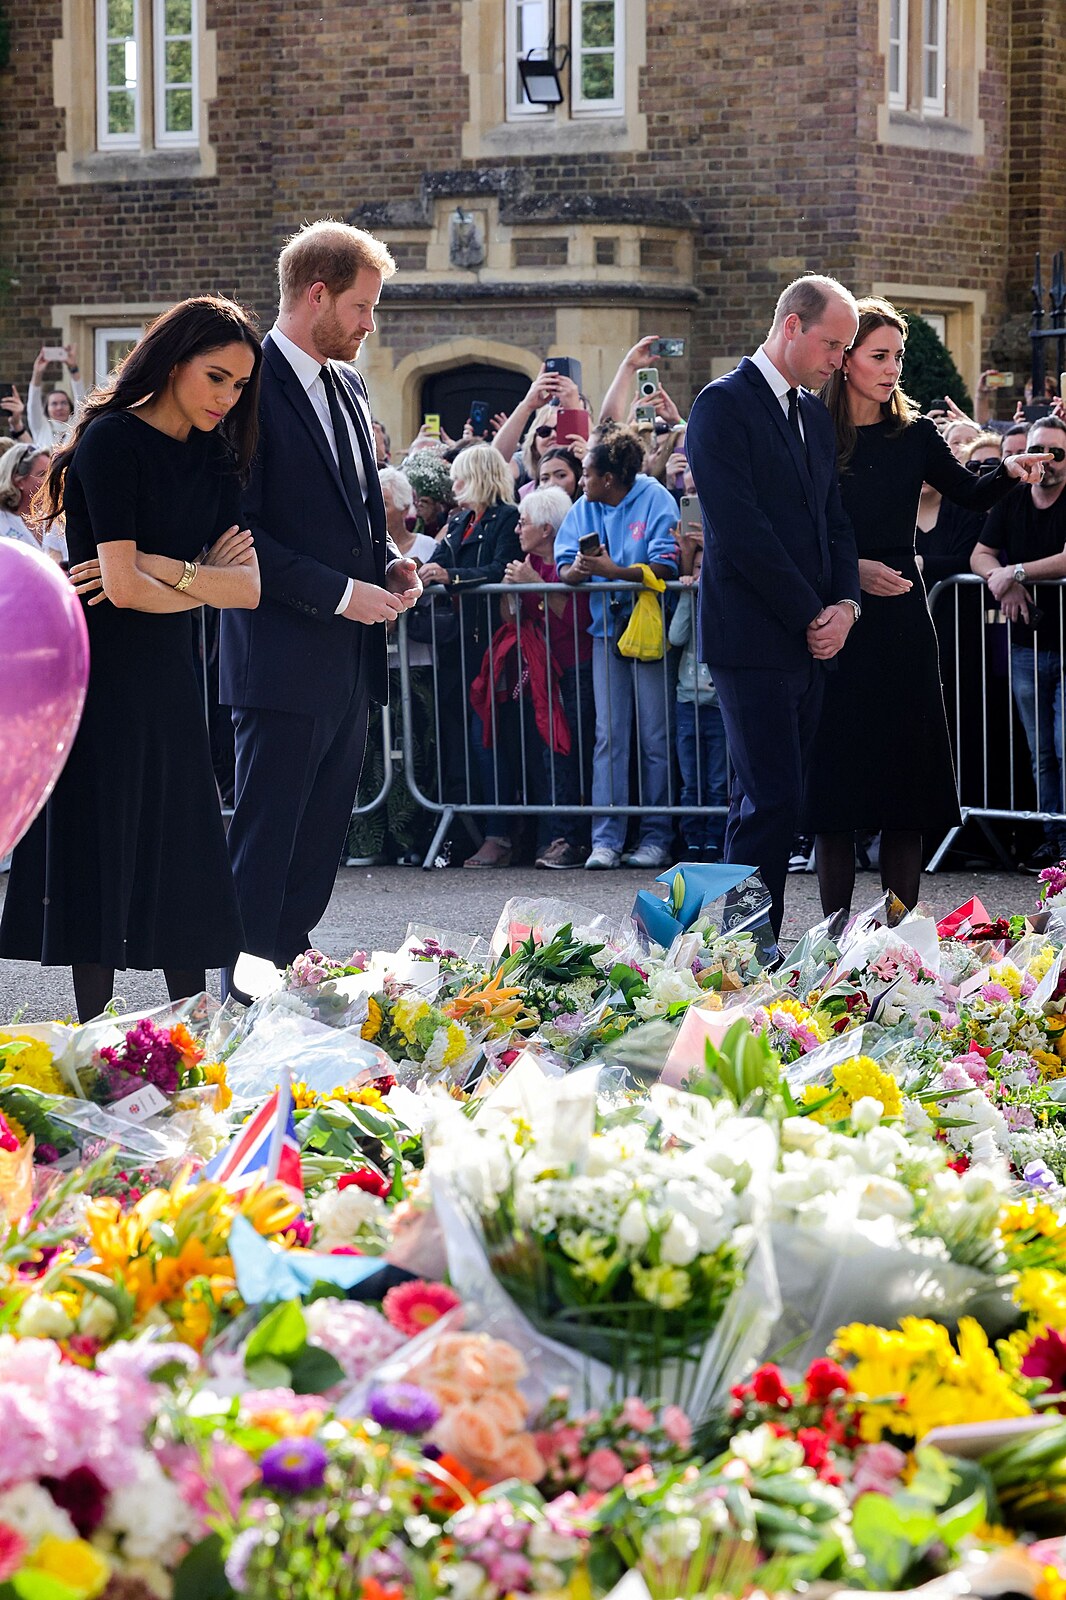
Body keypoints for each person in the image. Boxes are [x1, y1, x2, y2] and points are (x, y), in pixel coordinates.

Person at [0, 296, 263, 1022]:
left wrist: (163, 570)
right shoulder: (111, 441)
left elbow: (246, 589)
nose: (227, 397)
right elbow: (119, 589)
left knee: (183, 847)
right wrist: (196, 580)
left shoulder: (215, 456)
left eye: (239, 384)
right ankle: (94, 1039)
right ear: (175, 365)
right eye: (216, 378)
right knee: (100, 843)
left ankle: (193, 1038)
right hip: (102, 675)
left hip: (172, 674)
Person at [802, 297, 1049, 914]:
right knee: (835, 792)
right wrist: (852, 572)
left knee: (905, 788)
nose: (892, 369)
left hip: (902, 620)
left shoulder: (914, 435)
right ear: (845, 359)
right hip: (836, 614)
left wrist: (1009, 470)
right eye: (878, 356)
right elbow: (797, 526)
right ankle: (832, 940)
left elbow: (969, 492)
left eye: (898, 356)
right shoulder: (809, 429)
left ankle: (899, 941)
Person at [220, 219, 421, 973]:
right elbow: (238, 534)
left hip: (349, 659)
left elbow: (357, 511)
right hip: (278, 657)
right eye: (361, 307)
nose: (370, 324)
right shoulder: (246, 386)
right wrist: (342, 594)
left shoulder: (350, 383)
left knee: (318, 842)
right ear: (315, 295)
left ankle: (290, 973)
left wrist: (389, 563)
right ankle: (241, 992)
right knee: (266, 841)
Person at [686, 273, 862, 940]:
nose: (839, 361)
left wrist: (844, 605)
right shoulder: (722, 404)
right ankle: (753, 948)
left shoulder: (812, 415)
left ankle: (740, 943)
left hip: (809, 637)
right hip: (752, 637)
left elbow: (834, 523)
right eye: (832, 344)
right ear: (792, 326)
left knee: (766, 801)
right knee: (771, 799)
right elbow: (739, 529)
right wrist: (811, 614)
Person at [556, 423, 680, 870]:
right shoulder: (583, 508)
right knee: (608, 737)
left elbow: (667, 565)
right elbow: (563, 566)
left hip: (648, 635)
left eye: (587, 474)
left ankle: (656, 838)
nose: (581, 482)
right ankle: (605, 840)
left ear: (608, 478)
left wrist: (614, 571)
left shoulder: (656, 498)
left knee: (654, 737)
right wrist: (575, 572)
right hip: (605, 633)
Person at [418, 443, 521, 866]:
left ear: (478, 475)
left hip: (490, 645)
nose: (453, 483)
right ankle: (469, 832)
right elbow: (438, 564)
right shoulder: (458, 521)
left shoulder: (506, 517)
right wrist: (420, 571)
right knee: (461, 742)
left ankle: (499, 833)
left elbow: (501, 568)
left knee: (487, 740)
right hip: (457, 647)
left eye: (459, 475)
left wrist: (451, 575)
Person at [971, 415, 1066, 869]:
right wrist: (1001, 580)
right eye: (1038, 451)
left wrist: (1018, 572)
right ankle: (1054, 838)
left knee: (1064, 745)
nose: (1047, 461)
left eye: (1057, 452)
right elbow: (980, 554)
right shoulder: (1011, 498)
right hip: (1026, 646)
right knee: (1041, 752)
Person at [489, 485, 593, 869]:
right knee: (547, 755)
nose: (517, 529)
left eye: (524, 522)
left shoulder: (564, 564)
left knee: (571, 753)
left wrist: (535, 580)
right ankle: (553, 837)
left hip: (575, 667)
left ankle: (572, 839)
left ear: (546, 529)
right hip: (542, 673)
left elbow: (579, 618)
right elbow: (511, 618)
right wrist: (510, 591)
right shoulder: (526, 562)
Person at [347, 466, 438, 866]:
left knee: (414, 753)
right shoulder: (359, 545)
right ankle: (366, 841)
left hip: (415, 666)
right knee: (368, 755)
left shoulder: (429, 546)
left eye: (384, 503)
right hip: (370, 661)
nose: (377, 509)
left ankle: (408, 841)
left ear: (404, 507)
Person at [669, 540, 728, 861]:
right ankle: (692, 840)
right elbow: (676, 636)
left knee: (718, 780)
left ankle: (715, 840)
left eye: (708, 569)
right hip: (687, 702)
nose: (702, 575)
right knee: (691, 780)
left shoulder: (724, 602)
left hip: (718, 705)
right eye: (696, 568)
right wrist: (686, 595)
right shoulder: (690, 599)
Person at [0, 444, 66, 562]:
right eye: (42, 474)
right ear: (19, 481)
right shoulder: (2, 522)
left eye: (52, 473)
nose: (51, 480)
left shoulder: (59, 516)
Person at [27, 345, 86, 449]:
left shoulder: (76, 425)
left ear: (70, 406)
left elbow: (81, 399)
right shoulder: (40, 426)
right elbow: (33, 403)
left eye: (64, 403)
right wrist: (37, 372)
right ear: (47, 408)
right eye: (54, 404)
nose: (59, 407)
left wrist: (73, 368)